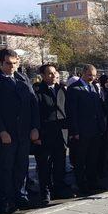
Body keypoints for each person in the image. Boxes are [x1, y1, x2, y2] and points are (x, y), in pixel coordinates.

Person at [0, 48, 39, 214]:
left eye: (15, 63)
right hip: (6, 133)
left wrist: (35, 127)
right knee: (6, 168)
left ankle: (20, 195)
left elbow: (33, 104)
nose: (12, 66)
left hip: (24, 132)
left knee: (22, 166)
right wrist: (1, 131)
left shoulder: (23, 78)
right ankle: (5, 200)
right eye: (8, 63)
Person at [34, 63, 73, 206]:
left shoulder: (61, 89)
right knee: (44, 165)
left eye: (54, 72)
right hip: (45, 133)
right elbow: (35, 113)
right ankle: (45, 191)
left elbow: (67, 110)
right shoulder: (37, 90)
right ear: (43, 76)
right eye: (49, 73)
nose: (53, 75)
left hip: (61, 132)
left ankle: (59, 188)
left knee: (60, 163)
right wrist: (36, 133)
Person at [66, 64, 106, 195]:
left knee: (93, 158)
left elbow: (98, 108)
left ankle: (92, 181)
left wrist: (101, 126)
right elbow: (72, 112)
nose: (92, 78)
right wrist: (74, 131)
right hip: (82, 131)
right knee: (80, 159)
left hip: (95, 130)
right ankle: (81, 184)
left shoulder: (93, 87)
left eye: (94, 76)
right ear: (83, 73)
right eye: (89, 75)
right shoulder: (74, 88)